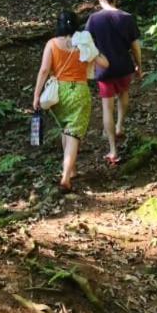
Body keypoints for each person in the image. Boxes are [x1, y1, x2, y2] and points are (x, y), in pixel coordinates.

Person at [33, 11, 108, 193]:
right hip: (80, 92)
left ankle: (72, 170)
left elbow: (44, 70)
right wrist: (92, 50)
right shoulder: (83, 44)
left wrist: (36, 96)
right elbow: (105, 64)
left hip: (58, 93)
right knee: (73, 133)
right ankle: (66, 176)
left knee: (66, 129)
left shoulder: (51, 44)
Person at [85, 0, 142, 165]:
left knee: (106, 107)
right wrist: (139, 65)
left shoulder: (94, 19)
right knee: (124, 94)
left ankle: (113, 150)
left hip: (104, 68)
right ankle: (120, 125)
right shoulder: (127, 17)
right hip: (124, 65)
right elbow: (135, 46)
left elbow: (86, 43)